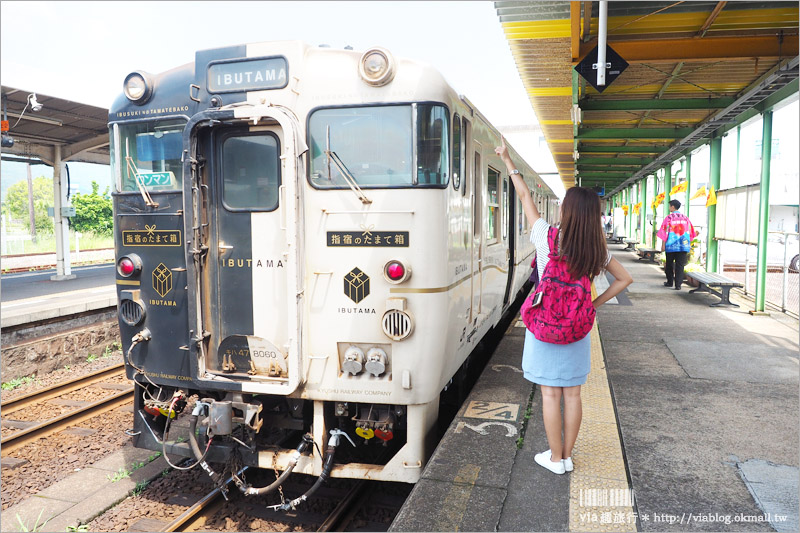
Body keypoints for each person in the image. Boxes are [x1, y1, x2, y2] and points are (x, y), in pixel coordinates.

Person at [495, 139, 633, 475]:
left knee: (549, 396)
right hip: (577, 329)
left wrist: (507, 159)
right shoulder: (595, 249)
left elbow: (526, 197)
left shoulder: (545, 236)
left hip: (544, 328)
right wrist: (592, 304)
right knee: (573, 396)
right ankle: (566, 456)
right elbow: (624, 280)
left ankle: (554, 458)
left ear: (565, 212)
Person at [657, 199, 696, 290]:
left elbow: (665, 232)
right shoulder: (685, 218)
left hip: (671, 246)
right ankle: (678, 285)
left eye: (669, 206)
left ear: (673, 207)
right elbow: (690, 232)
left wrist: (663, 245)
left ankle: (670, 282)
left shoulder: (669, 218)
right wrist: (688, 243)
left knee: (669, 264)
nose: (669, 207)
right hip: (683, 246)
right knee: (680, 265)